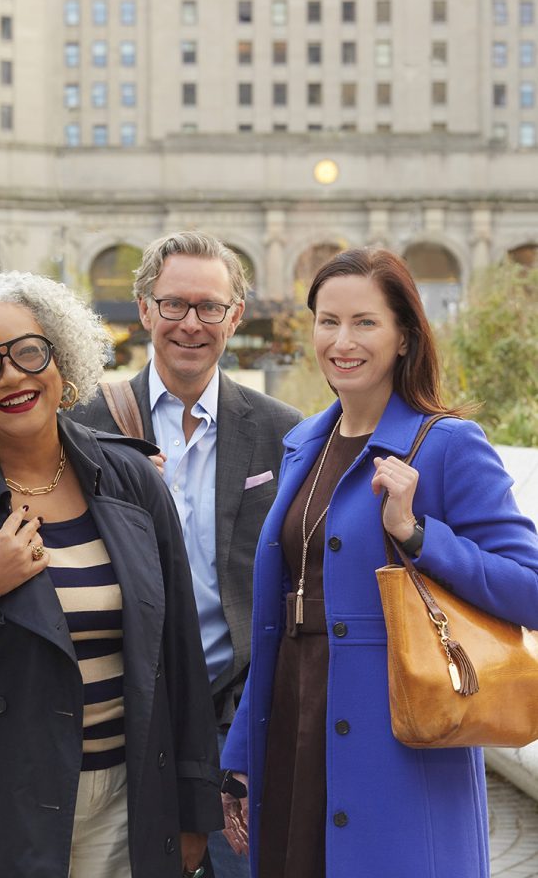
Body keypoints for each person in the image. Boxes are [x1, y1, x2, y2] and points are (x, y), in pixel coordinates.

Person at [0, 271, 223, 878]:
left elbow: (177, 653)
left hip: (128, 807)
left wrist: (191, 809)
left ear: (60, 357)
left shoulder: (130, 480)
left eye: (29, 352)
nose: (13, 377)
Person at [220, 247, 538, 878]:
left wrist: (419, 535)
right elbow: (283, 616)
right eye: (327, 321)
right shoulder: (303, 443)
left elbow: (528, 589)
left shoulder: (446, 444)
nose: (343, 340)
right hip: (291, 723)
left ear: (403, 336)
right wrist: (242, 752)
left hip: (401, 747)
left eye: (365, 322)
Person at [72, 231, 302, 877]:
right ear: (144, 309)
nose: (190, 324)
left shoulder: (284, 430)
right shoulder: (83, 425)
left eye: (209, 307)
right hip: (121, 719)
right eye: (173, 305)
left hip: (237, 719)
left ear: (234, 316)